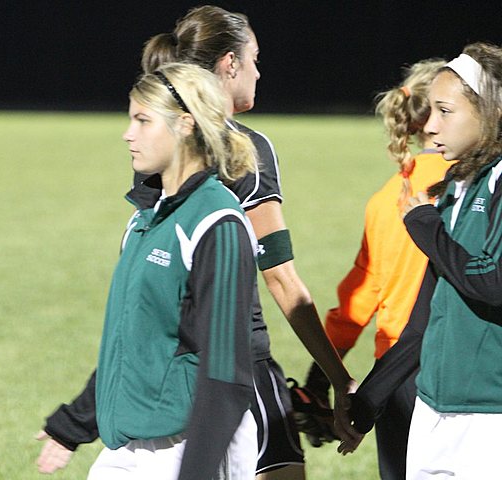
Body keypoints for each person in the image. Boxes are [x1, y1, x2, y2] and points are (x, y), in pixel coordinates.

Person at [36, 6, 358, 479]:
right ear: (229, 63)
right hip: (230, 367)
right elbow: (282, 280)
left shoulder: (162, 157)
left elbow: (145, 314)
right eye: (254, 58)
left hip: (165, 379)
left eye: (139, 121)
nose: (258, 70)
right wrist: (339, 377)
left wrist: (76, 420)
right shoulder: (227, 154)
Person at [78, 61, 258, 479]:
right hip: (131, 440)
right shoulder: (145, 219)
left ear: (185, 125)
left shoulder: (217, 222)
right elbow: (134, 338)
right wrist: (77, 420)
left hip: (192, 443)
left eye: (143, 120)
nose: (128, 134)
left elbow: (228, 372)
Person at [339, 42, 502, 479]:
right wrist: (369, 400)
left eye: (445, 111)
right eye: (429, 110)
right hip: (434, 406)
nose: (429, 126)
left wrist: (427, 227)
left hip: (490, 412)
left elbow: (495, 283)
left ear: (491, 110)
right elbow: (424, 315)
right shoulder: (456, 186)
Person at [301, 59, 449, 479]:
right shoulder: (467, 187)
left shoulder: (387, 197)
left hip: (393, 376)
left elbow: (359, 296)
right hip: (448, 364)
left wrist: (318, 378)